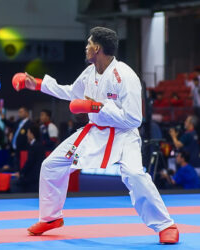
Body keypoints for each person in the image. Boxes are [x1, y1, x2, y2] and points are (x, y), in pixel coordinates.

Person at [19, 27, 178, 244]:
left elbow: (134, 120)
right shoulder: (89, 72)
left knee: (134, 174)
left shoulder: (125, 76)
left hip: (124, 135)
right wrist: (37, 84)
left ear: (98, 48)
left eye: (89, 43)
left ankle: (165, 225)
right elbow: (70, 92)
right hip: (95, 132)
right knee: (51, 165)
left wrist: (97, 107)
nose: (86, 47)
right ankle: (50, 218)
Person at [11, 125, 45, 193]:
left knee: (13, 182)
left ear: (32, 134)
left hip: (33, 177)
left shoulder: (34, 146)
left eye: (28, 132)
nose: (26, 135)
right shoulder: (38, 145)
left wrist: (20, 173)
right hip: (37, 175)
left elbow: (29, 163)